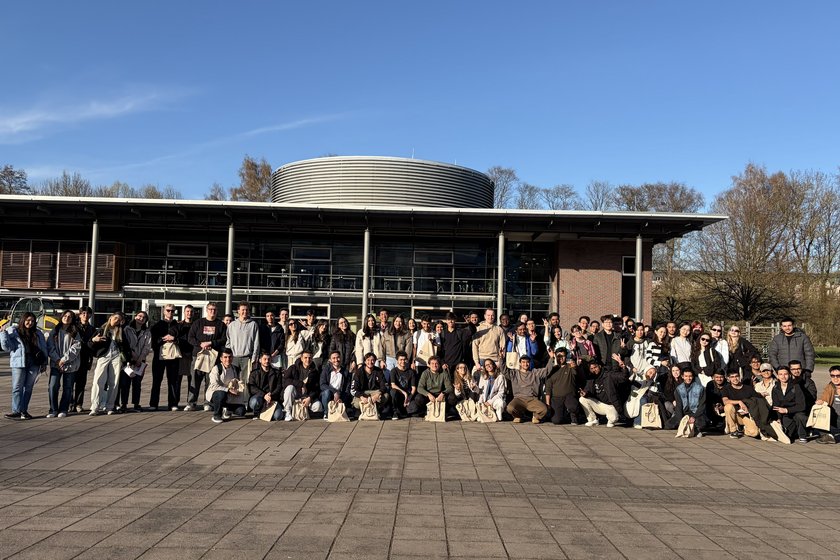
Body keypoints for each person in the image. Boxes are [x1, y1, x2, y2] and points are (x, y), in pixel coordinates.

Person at [2, 311, 48, 419]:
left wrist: (45, 362)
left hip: (34, 363)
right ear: (23, 320)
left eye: (32, 321)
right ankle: (16, 411)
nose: (30, 323)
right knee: (17, 387)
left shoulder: (38, 333)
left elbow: (43, 348)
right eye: (28, 320)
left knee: (28, 388)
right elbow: (6, 347)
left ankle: (24, 411)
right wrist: (3, 333)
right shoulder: (14, 331)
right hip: (19, 363)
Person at [88, 312, 131, 416]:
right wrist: (94, 340)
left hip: (116, 357)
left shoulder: (121, 331)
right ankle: (95, 406)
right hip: (103, 357)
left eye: (119, 319)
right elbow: (89, 344)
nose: (116, 320)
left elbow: (126, 346)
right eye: (115, 318)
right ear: (110, 317)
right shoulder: (102, 330)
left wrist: (127, 359)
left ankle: (110, 406)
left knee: (114, 382)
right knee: (98, 381)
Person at [186, 302, 227, 411]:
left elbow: (223, 339)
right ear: (206, 310)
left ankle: (208, 402)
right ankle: (191, 403)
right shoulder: (198, 323)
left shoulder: (220, 325)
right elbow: (190, 338)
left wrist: (211, 343)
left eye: (214, 310)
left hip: (213, 356)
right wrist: (201, 344)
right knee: (195, 380)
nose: (212, 311)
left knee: (210, 380)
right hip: (198, 355)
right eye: (210, 309)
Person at [502, 349, 556, 424]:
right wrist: (501, 359)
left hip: (532, 399)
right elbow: (505, 371)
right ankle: (518, 416)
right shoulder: (515, 373)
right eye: (523, 362)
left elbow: (546, 371)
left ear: (530, 363)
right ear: (520, 363)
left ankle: (535, 416)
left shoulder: (535, 373)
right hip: (519, 399)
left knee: (544, 409)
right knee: (510, 408)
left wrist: (551, 358)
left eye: (527, 362)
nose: (525, 364)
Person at [46, 310, 82, 418]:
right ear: (61, 317)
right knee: (53, 386)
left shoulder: (75, 332)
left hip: (70, 364)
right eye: (65, 316)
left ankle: (63, 409)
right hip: (56, 364)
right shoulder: (55, 331)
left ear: (72, 319)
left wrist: (64, 360)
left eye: (69, 317)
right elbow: (50, 347)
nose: (67, 318)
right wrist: (58, 360)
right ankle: (53, 409)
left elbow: (76, 347)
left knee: (68, 388)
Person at [579, 355, 629, 427]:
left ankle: (611, 419)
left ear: (599, 366)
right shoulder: (591, 378)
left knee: (613, 419)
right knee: (582, 399)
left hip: (610, 405)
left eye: (595, 367)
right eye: (591, 368)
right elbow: (587, 390)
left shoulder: (609, 375)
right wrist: (584, 393)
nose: (594, 370)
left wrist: (623, 366)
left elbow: (624, 377)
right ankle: (593, 420)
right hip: (599, 404)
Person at [226, 302, 260, 405]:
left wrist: (254, 358)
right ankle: (232, 403)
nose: (245, 312)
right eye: (243, 310)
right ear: (238, 311)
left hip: (247, 358)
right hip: (234, 357)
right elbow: (228, 342)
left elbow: (256, 343)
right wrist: (228, 357)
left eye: (247, 310)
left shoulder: (253, 324)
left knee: (246, 381)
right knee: (233, 381)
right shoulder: (232, 325)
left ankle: (245, 402)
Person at [150, 304, 182, 411]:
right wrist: (163, 339)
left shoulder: (178, 325)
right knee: (156, 380)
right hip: (160, 356)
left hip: (173, 356)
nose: (170, 313)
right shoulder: (157, 325)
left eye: (173, 311)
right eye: (168, 310)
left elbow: (183, 340)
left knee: (173, 381)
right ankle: (153, 404)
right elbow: (153, 343)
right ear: (164, 311)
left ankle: (173, 403)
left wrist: (174, 338)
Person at [721, 370, 771, 439]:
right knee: (728, 407)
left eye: (736, 376)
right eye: (732, 377)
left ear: (740, 377)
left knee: (754, 432)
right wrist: (739, 402)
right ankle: (733, 430)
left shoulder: (748, 388)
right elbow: (725, 401)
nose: (735, 379)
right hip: (735, 413)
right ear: (728, 378)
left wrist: (762, 394)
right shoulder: (726, 388)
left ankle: (742, 429)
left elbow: (757, 399)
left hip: (746, 415)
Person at [118, 311, 151, 412]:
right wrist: (131, 355)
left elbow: (147, 347)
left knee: (137, 384)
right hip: (127, 360)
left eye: (144, 317)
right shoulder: (127, 329)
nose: (141, 318)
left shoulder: (147, 332)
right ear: (135, 316)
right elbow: (125, 343)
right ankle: (123, 404)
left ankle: (136, 404)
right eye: (139, 316)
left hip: (139, 362)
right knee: (125, 383)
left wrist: (140, 358)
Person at [770, 365, 808, 444]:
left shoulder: (796, 387)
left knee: (800, 417)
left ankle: (803, 435)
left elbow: (802, 405)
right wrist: (778, 418)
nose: (783, 376)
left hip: (796, 411)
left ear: (789, 375)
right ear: (777, 376)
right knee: (787, 434)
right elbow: (776, 405)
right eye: (780, 374)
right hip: (784, 415)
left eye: (785, 374)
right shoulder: (775, 388)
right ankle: (795, 432)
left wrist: (787, 410)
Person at [282, 350, 322, 421]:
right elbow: (286, 381)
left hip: (307, 396)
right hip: (295, 395)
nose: (308, 360)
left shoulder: (314, 371)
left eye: (309, 358)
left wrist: (310, 398)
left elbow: (317, 388)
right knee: (289, 387)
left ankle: (305, 411)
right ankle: (287, 412)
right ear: (301, 358)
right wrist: (301, 384)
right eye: (305, 358)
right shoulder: (293, 368)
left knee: (318, 406)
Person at [206, 348, 244, 423]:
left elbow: (238, 383)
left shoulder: (235, 369)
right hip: (216, 394)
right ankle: (217, 415)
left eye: (230, 357)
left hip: (230, 397)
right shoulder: (216, 369)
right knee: (221, 394)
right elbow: (214, 386)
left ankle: (227, 409)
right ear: (221, 359)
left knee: (241, 411)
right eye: (225, 357)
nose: (228, 359)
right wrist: (228, 390)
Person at [666, 367, 707, 437]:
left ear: (693, 376)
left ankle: (695, 429)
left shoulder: (700, 388)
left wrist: (694, 417)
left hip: (695, 413)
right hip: (684, 413)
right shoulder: (679, 389)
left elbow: (702, 406)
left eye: (690, 376)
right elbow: (678, 406)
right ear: (682, 376)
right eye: (686, 376)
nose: (688, 378)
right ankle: (689, 428)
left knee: (701, 423)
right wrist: (681, 420)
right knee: (668, 425)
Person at [544, 348, 581, 425]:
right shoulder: (552, 370)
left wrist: (575, 367)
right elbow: (548, 388)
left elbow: (576, 373)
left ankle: (573, 416)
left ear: (566, 356)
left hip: (569, 396)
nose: (561, 358)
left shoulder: (570, 366)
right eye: (559, 356)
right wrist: (548, 404)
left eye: (563, 356)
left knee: (572, 406)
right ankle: (564, 415)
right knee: (556, 421)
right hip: (556, 398)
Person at [350, 352, 391, 418]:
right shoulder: (359, 372)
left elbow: (384, 385)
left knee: (385, 396)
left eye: (372, 360)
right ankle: (362, 411)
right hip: (363, 392)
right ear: (365, 361)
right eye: (368, 360)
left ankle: (376, 410)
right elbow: (353, 389)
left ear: (375, 361)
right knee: (357, 404)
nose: (370, 362)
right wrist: (361, 397)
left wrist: (378, 394)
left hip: (375, 392)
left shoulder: (379, 371)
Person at [247, 352, 283, 421]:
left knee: (278, 417)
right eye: (265, 359)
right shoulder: (254, 373)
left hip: (272, 398)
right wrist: (264, 395)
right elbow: (252, 388)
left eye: (268, 359)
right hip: (259, 397)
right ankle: (257, 413)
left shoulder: (277, 373)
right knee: (255, 402)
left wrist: (271, 395)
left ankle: (264, 413)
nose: (267, 361)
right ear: (260, 360)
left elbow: (279, 387)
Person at [72, 306, 96, 413]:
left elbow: (93, 346)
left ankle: (78, 404)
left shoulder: (92, 329)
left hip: (85, 359)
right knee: (69, 383)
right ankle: (69, 403)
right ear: (80, 314)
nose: (85, 316)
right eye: (83, 313)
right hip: (73, 358)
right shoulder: (74, 327)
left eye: (88, 314)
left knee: (81, 384)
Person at [471, 308, 506, 373]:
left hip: (495, 360)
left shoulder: (499, 329)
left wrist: (500, 361)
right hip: (482, 359)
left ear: (495, 316)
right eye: (488, 315)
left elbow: (502, 347)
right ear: (485, 316)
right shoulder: (478, 329)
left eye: (492, 315)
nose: (490, 317)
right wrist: (476, 362)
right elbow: (475, 346)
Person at [320, 350, 352, 419]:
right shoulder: (326, 370)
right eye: (333, 358)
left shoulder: (345, 372)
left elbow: (347, 388)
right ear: (330, 360)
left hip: (340, 395)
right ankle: (326, 412)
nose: (336, 360)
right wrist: (334, 392)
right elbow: (322, 385)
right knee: (326, 392)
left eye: (338, 357)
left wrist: (341, 397)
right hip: (329, 393)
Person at [389, 351, 421, 419]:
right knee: (393, 391)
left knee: (415, 410)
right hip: (399, 395)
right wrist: (404, 393)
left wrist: (409, 398)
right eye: (401, 360)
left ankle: (404, 411)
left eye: (404, 359)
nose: (403, 361)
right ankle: (395, 412)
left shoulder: (411, 372)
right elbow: (393, 385)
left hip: (408, 396)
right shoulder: (393, 371)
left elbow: (413, 388)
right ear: (397, 360)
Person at [814, 365, 840, 444]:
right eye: (832, 376)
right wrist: (821, 402)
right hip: (834, 417)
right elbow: (824, 399)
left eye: (838, 376)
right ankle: (829, 435)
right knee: (817, 414)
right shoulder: (829, 387)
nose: (835, 378)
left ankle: (834, 436)